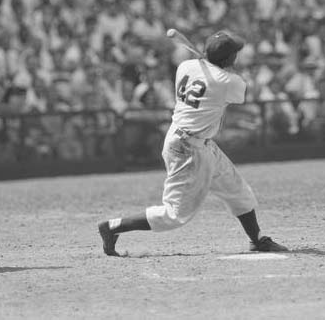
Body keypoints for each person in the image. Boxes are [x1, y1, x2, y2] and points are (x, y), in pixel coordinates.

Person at [98, 31, 287, 256]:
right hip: (188, 149)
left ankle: (257, 240)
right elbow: (239, 88)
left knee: (238, 192)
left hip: (196, 142)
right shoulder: (229, 81)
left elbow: (211, 75)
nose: (236, 57)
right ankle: (113, 227)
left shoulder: (186, 66)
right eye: (234, 55)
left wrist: (218, 65)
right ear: (227, 60)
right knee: (174, 215)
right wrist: (226, 69)